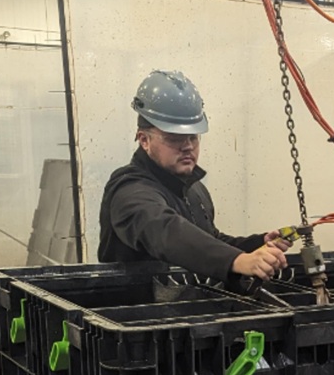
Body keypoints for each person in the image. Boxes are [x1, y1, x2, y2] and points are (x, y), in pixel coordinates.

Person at [99, 70, 291, 282]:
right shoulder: (129, 190)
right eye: (174, 138)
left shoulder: (193, 188)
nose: (188, 146)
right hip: (134, 311)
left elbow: (209, 240)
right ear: (144, 140)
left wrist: (256, 245)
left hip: (182, 306)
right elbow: (165, 232)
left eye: (193, 137)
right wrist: (236, 260)